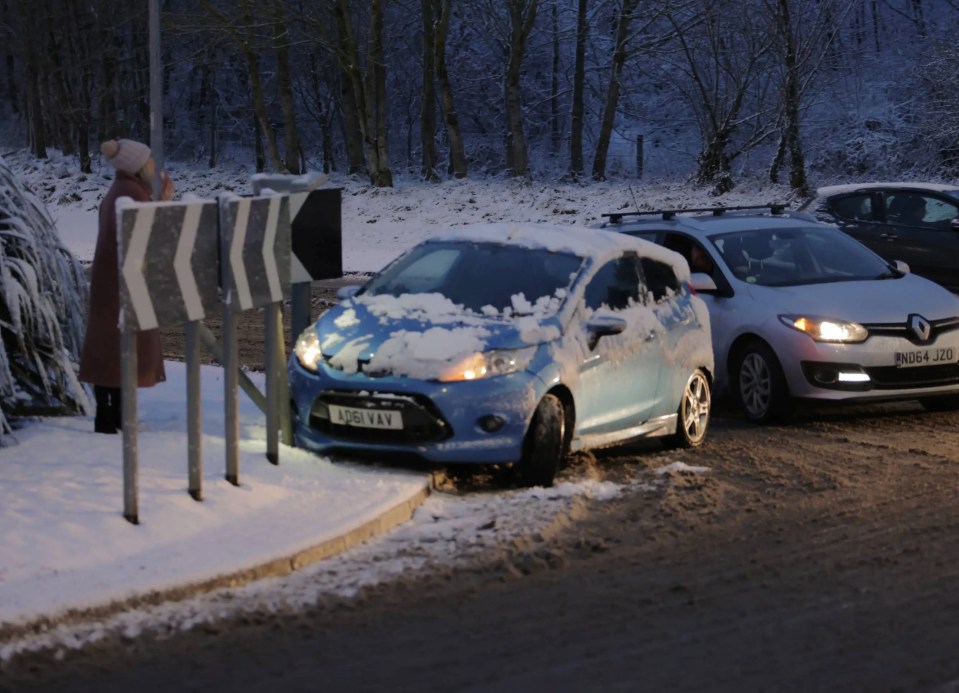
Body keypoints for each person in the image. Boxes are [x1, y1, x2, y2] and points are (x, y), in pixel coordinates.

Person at [78, 139, 174, 433]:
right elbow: (147, 236)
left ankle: (113, 417)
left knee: (112, 354)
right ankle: (110, 420)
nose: (154, 166)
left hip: (113, 286)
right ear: (139, 166)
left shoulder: (123, 191)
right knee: (116, 354)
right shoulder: (130, 192)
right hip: (120, 288)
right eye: (149, 161)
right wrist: (165, 203)